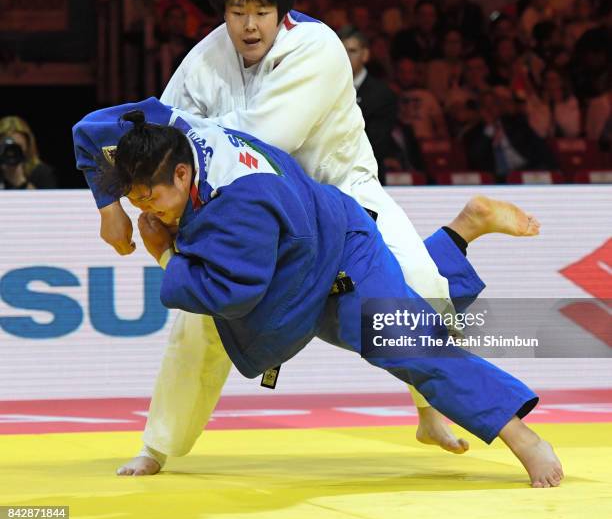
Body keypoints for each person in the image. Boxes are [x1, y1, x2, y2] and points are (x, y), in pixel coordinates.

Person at [80, 0, 538, 476]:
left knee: (418, 281)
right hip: (250, 213)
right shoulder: (205, 58)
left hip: (342, 194)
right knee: (200, 326)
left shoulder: (318, 48)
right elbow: (156, 145)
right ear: (222, 13)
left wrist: (193, 135)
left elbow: (264, 140)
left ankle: (430, 410)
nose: (249, 25)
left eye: (262, 12)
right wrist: (109, 201)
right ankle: (156, 446)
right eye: (236, 12)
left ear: (283, 12)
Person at [88, 102, 563, 488]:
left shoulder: (237, 206)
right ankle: (459, 235)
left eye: (148, 198)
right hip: (297, 254)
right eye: (134, 200)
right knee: (413, 310)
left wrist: (163, 255)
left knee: (407, 343)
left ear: (181, 175)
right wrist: (108, 206)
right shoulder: (175, 132)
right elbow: (89, 131)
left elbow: (232, 295)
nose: (143, 210)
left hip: (337, 259)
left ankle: (522, 438)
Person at [338, 25, 397, 185]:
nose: (346, 56)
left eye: (352, 51)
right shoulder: (325, 89)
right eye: (341, 51)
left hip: (368, 180)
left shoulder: (382, 94)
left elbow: (376, 145)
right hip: (330, 182)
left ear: (365, 55)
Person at [0, 116, 57, 189]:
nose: (11, 153)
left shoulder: (41, 173)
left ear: (27, 146)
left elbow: (48, 200)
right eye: (7, 148)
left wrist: (20, 181)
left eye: (17, 148)